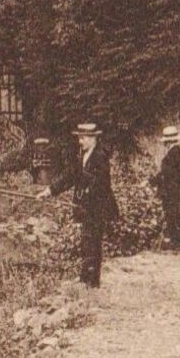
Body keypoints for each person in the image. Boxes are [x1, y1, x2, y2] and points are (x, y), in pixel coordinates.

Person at [37, 122, 118, 287]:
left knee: (92, 242)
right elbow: (69, 177)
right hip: (87, 208)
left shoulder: (100, 157)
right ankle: (85, 277)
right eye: (79, 138)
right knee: (86, 241)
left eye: (83, 138)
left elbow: (100, 184)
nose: (80, 141)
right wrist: (50, 190)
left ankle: (92, 281)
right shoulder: (82, 157)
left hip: (97, 208)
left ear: (92, 139)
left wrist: (84, 197)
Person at [149, 126, 180, 253]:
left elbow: (166, 174)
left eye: (165, 142)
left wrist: (153, 181)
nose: (164, 144)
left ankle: (178, 245)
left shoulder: (174, 155)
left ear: (168, 142)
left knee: (175, 218)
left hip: (173, 192)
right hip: (177, 191)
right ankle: (177, 244)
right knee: (176, 217)